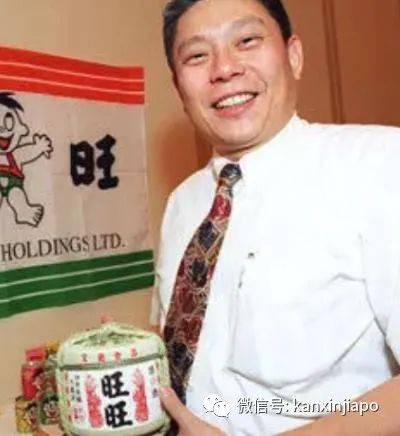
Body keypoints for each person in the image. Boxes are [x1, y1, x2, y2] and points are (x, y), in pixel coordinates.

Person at [150, 0, 400, 434]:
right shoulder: (182, 204)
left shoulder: (380, 165)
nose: (224, 68)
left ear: (294, 55)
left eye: (247, 40)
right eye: (197, 56)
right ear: (178, 87)